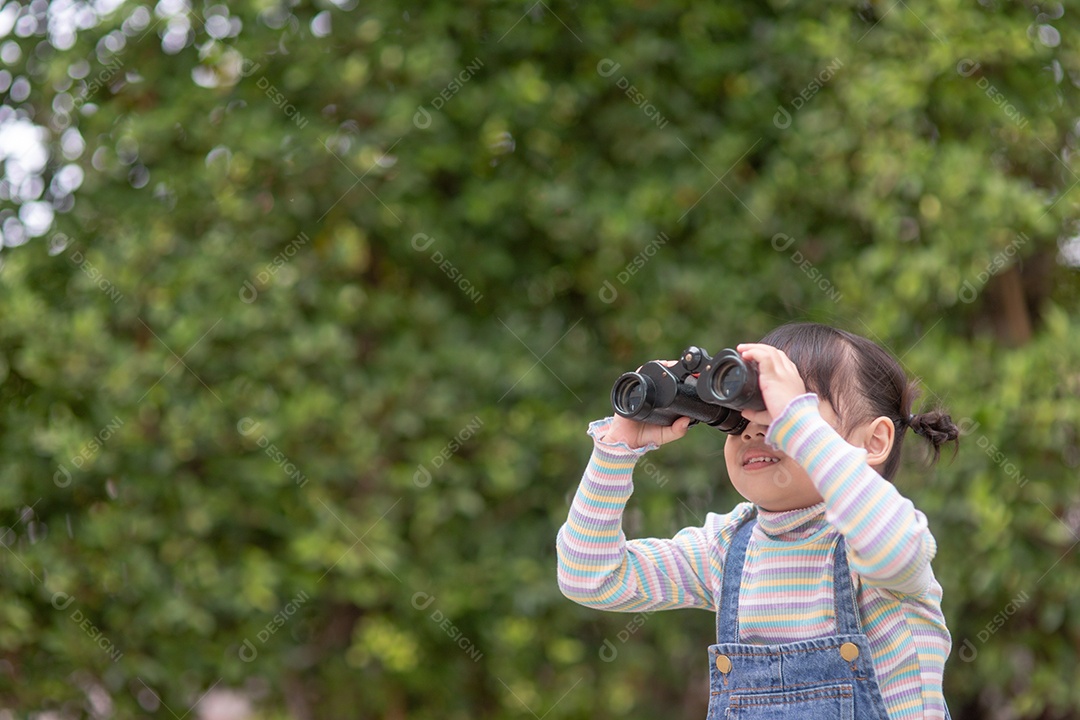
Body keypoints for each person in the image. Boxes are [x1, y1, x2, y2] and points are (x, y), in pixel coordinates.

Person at [556, 322, 959, 719]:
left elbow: (893, 545)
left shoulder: (871, 542)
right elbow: (590, 575)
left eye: (782, 411)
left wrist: (795, 423)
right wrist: (617, 449)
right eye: (740, 415)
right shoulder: (728, 546)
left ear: (874, 442)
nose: (754, 430)